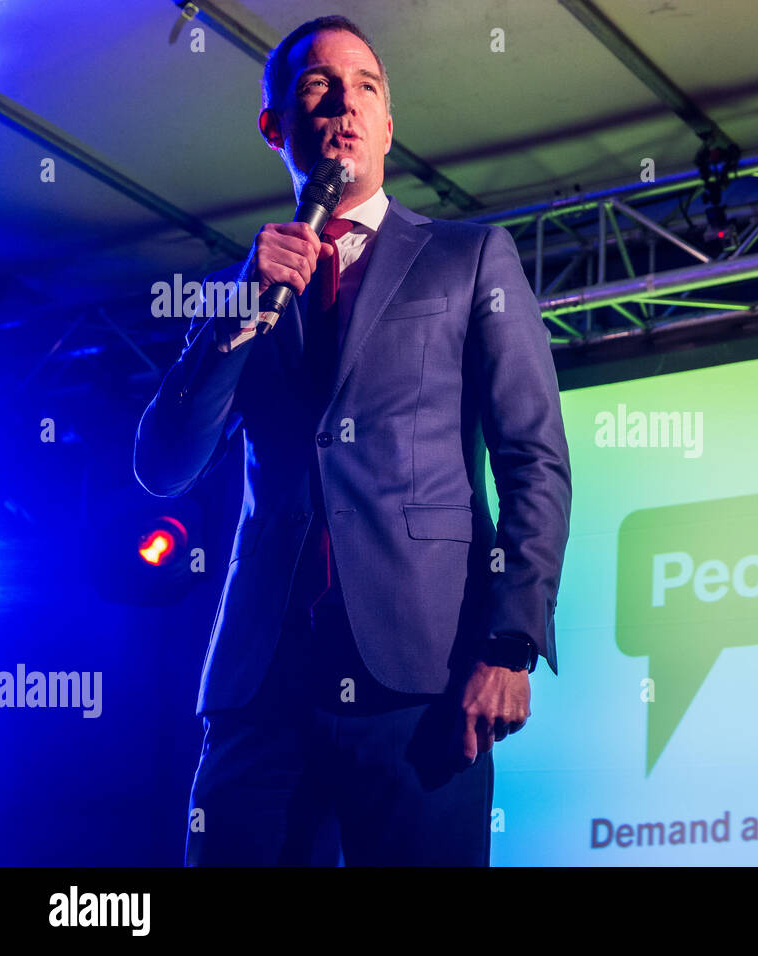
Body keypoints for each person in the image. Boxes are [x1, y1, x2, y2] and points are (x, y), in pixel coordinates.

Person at [134, 15, 572, 866]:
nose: (344, 103)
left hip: (425, 679)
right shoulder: (239, 287)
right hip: (263, 685)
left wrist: (512, 640)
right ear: (275, 127)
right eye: (316, 87)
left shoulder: (469, 258)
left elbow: (534, 457)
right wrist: (238, 314)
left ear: (388, 123)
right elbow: (162, 467)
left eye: (365, 86)